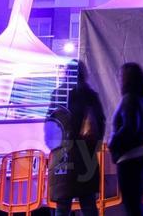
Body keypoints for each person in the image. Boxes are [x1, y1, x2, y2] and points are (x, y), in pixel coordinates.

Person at [49, 65, 106, 216]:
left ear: (67, 74)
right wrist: (94, 147)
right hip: (85, 155)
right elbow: (101, 123)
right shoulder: (91, 96)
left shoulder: (58, 95)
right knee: (88, 204)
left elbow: (50, 127)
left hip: (63, 156)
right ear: (83, 75)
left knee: (62, 205)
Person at [109, 63, 143, 216]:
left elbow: (130, 128)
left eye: (121, 76)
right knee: (136, 204)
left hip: (131, 157)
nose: (119, 79)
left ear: (128, 79)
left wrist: (113, 143)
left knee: (132, 205)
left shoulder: (130, 99)